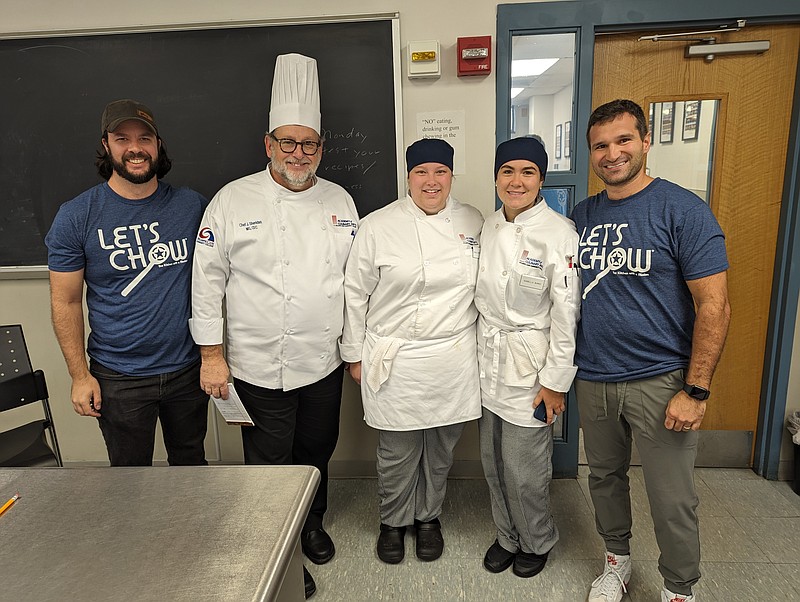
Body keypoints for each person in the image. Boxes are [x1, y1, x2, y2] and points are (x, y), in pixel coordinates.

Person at [190, 53, 358, 599]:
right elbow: (206, 282)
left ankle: (310, 524)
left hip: (323, 361)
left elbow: (354, 285)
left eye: (308, 144)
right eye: (287, 143)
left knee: (317, 449)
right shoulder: (231, 200)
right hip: (257, 364)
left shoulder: (341, 202)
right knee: (268, 465)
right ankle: (277, 548)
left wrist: (354, 349)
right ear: (268, 145)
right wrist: (211, 356)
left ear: (321, 148)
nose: (298, 155)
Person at [571, 99, 731, 602]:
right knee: (603, 479)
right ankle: (616, 563)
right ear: (591, 154)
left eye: (623, 141)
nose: (612, 153)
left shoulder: (681, 209)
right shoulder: (582, 215)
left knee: (672, 497)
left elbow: (715, 305)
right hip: (594, 376)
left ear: (645, 142)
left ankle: (679, 589)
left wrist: (696, 389)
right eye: (601, 145)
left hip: (660, 380)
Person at [340, 138, 483, 565]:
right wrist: (354, 354)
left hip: (452, 356)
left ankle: (428, 518)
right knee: (397, 452)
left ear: (452, 175)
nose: (431, 181)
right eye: (421, 172)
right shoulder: (377, 225)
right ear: (408, 176)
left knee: (440, 450)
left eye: (440, 171)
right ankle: (392, 521)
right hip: (395, 357)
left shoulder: (474, 221)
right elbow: (354, 293)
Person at [46, 99, 209, 467]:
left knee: (192, 467)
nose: (135, 148)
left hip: (186, 369)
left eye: (145, 138)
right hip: (119, 377)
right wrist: (79, 376)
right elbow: (66, 301)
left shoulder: (192, 207)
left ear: (158, 144)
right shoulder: (77, 216)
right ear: (106, 145)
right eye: (122, 138)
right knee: (129, 480)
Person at [475, 136, 580, 579]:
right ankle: (506, 536)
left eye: (528, 172)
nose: (516, 181)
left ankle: (536, 539)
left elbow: (567, 313)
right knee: (492, 462)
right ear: (496, 177)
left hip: (532, 368)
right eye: (507, 171)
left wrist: (555, 382)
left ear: (541, 179)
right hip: (488, 362)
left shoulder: (560, 233)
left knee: (525, 469)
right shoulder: (488, 226)